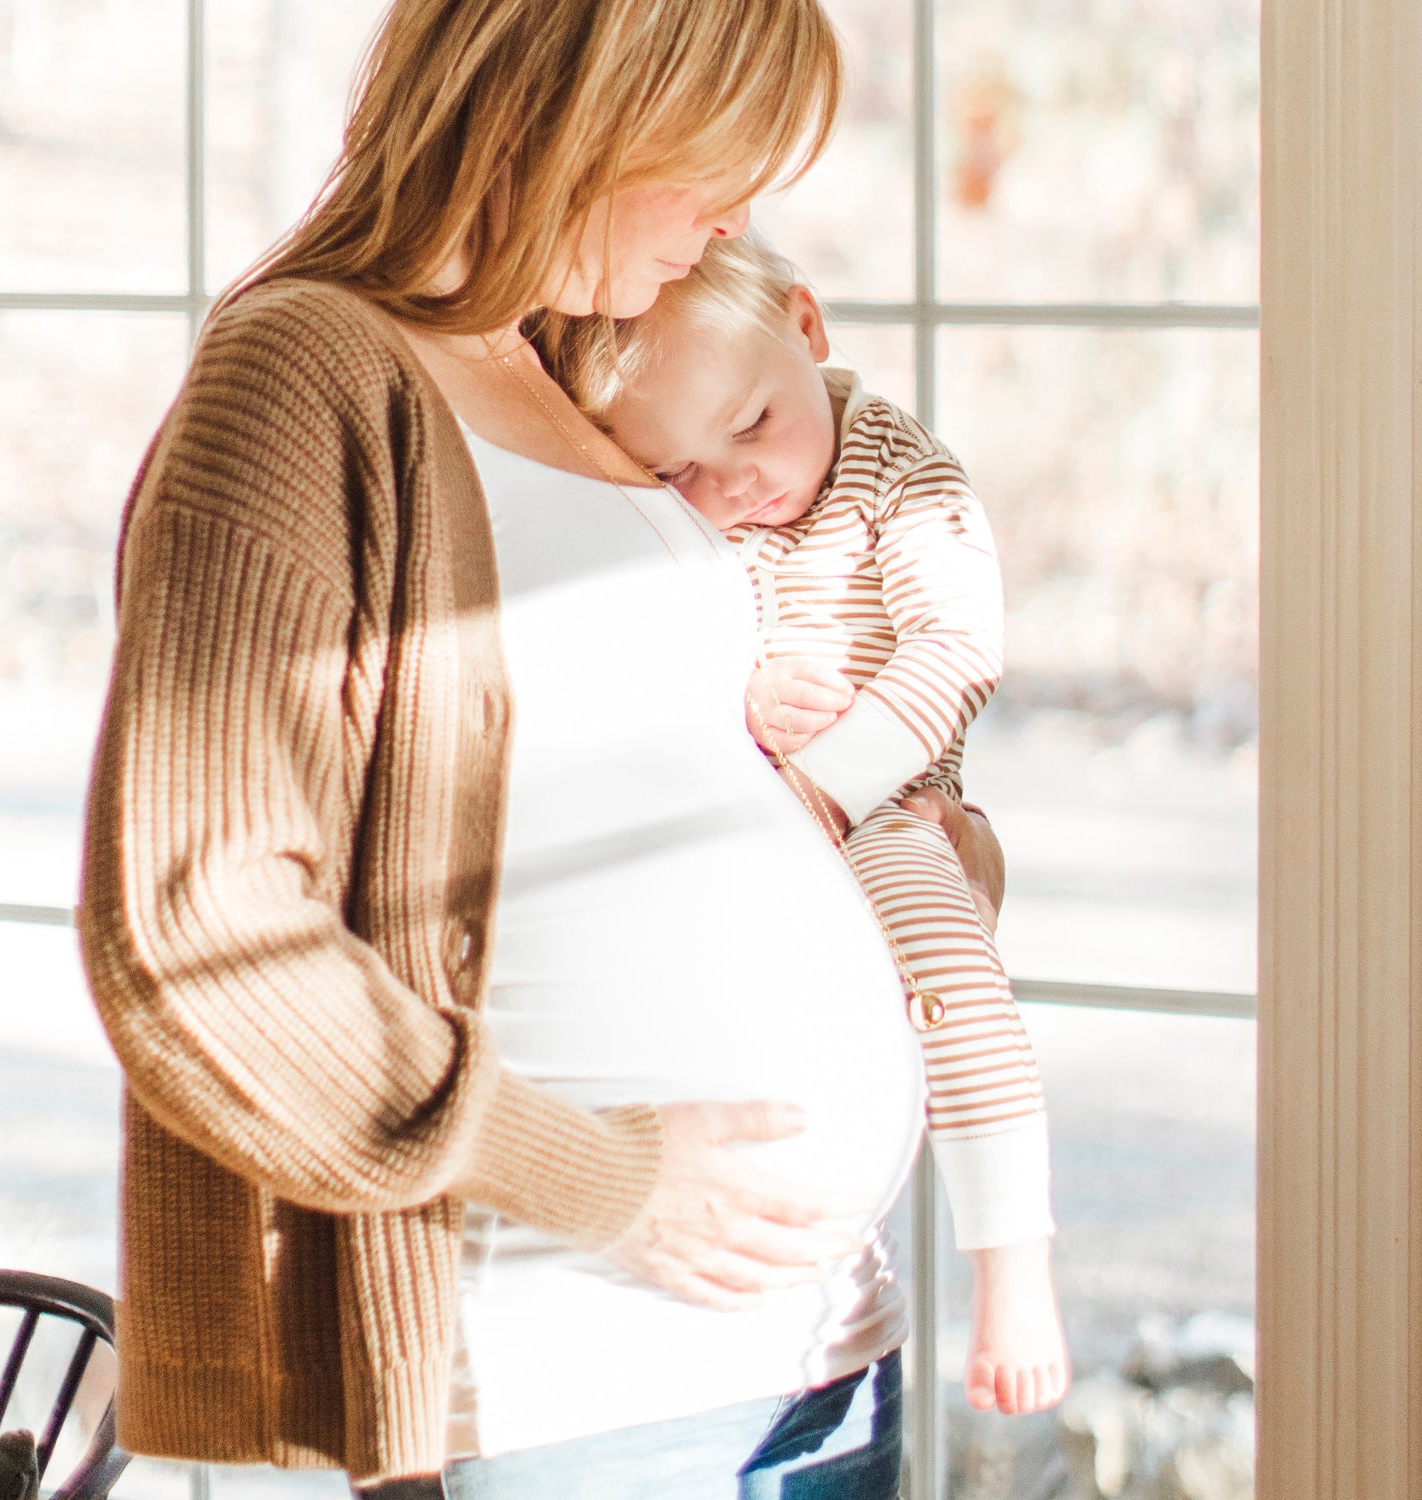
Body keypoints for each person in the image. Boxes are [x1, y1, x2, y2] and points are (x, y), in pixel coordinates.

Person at [77, 2, 1019, 1496]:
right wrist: (609, 1181)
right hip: (574, 1381)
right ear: (558, 115)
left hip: (817, 1357)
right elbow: (196, 933)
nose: (729, 217)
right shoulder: (301, 376)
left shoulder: (579, 372)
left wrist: (898, 863)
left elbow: (651, 778)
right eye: (704, 166)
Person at [537, 231, 1070, 1414]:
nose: (736, 488)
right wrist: (742, 699)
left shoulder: (900, 474)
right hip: (743, 806)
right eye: (684, 472)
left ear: (809, 329)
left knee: (948, 968)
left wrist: (824, 787)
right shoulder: (681, 510)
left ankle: (1014, 1261)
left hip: (885, 802)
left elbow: (957, 647)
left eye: (753, 426)